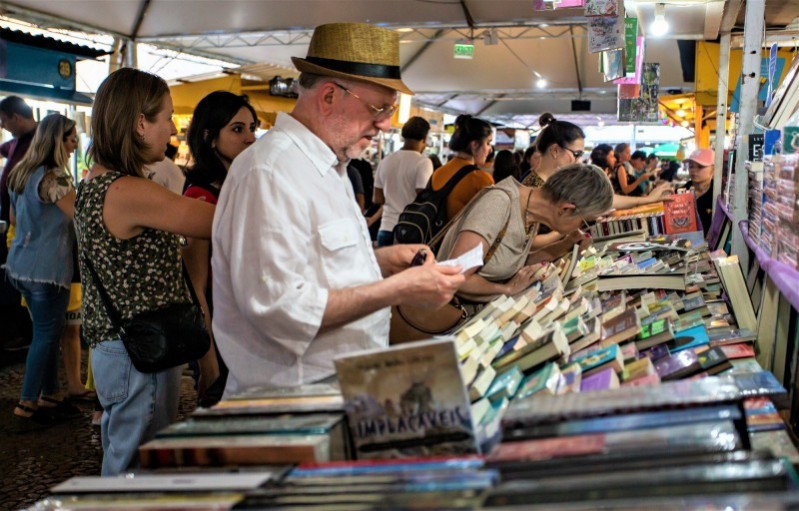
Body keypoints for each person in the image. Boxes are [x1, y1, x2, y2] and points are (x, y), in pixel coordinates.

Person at [211, 22, 465, 395]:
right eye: (379, 107)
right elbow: (281, 308)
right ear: (329, 96)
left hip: (338, 388)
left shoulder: (331, 167)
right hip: (294, 401)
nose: (386, 123)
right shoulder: (270, 171)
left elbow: (315, 269)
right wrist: (397, 288)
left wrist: (379, 262)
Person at [74, 68, 215, 476]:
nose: (172, 130)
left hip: (120, 349)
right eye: (167, 117)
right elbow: (220, 220)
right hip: (140, 352)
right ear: (139, 124)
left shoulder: (97, 183)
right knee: (136, 471)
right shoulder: (128, 190)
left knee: (125, 460)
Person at [437, 164, 614, 303]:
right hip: (450, 319)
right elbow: (455, 276)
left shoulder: (530, 212)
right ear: (565, 209)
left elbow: (512, 263)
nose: (582, 228)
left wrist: (564, 245)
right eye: (585, 222)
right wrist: (507, 289)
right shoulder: (499, 204)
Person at [5, 113, 82, 431]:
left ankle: (51, 395)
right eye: (71, 137)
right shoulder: (56, 179)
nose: (76, 143)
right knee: (46, 336)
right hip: (48, 270)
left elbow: (12, 218)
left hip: (19, 265)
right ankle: (26, 406)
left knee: (46, 333)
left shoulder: (20, 173)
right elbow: (81, 218)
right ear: (57, 141)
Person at [182, 90, 257, 408]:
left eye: (252, 128)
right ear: (210, 138)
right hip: (223, 332)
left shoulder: (244, 187)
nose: (250, 138)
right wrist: (207, 361)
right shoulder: (200, 196)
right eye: (237, 129)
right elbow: (195, 284)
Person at [0, 96, 38, 352]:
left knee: (20, 285)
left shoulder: (39, 141)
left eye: (4, 120)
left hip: (28, 229)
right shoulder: (16, 143)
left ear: (16, 116)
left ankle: (25, 334)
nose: (4, 125)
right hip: (15, 226)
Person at [373, 116, 433, 247]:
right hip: (409, 229)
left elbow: (377, 199)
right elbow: (423, 197)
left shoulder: (385, 161)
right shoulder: (423, 162)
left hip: (385, 228)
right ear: (424, 139)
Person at [430, 114, 494, 221]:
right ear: (474, 144)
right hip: (461, 237)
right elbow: (490, 221)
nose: (490, 149)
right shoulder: (481, 179)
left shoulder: (438, 172)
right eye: (488, 143)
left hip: (435, 236)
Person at [681, 148, 715, 235]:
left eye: (700, 166)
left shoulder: (718, 194)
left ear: (714, 169)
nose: (694, 170)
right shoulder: (681, 193)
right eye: (691, 166)